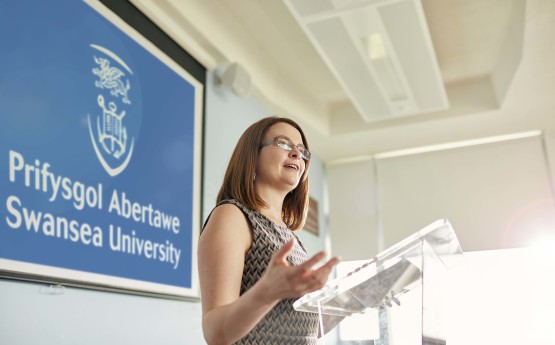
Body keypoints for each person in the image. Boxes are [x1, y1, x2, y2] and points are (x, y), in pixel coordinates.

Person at [198, 116, 340, 345]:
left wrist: (348, 303)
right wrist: (267, 291)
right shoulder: (232, 216)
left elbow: (298, 328)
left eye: (302, 151)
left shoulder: (290, 236)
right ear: (252, 155)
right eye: (283, 143)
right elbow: (215, 333)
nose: (296, 154)